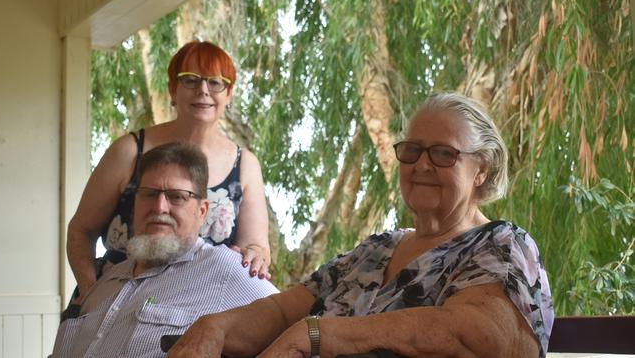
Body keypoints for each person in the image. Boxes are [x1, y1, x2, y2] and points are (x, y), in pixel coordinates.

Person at [167, 92, 554, 358]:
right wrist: (215, 327)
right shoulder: (376, 250)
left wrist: (317, 335)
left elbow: (483, 337)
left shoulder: (500, 245)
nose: (421, 165)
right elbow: (285, 310)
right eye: (412, 151)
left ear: (481, 170)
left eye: (443, 154)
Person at [67, 40, 271, 307]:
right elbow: (81, 230)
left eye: (215, 82)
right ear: (172, 89)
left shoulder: (245, 165)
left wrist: (256, 254)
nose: (203, 90)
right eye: (190, 80)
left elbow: (257, 246)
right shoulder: (129, 151)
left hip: (194, 315)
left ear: (229, 94)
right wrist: (90, 292)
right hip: (112, 307)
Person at [52, 143, 278, 358]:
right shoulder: (105, 281)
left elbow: (298, 325)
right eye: (149, 194)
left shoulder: (225, 270)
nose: (159, 207)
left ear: (202, 211)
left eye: (177, 197)